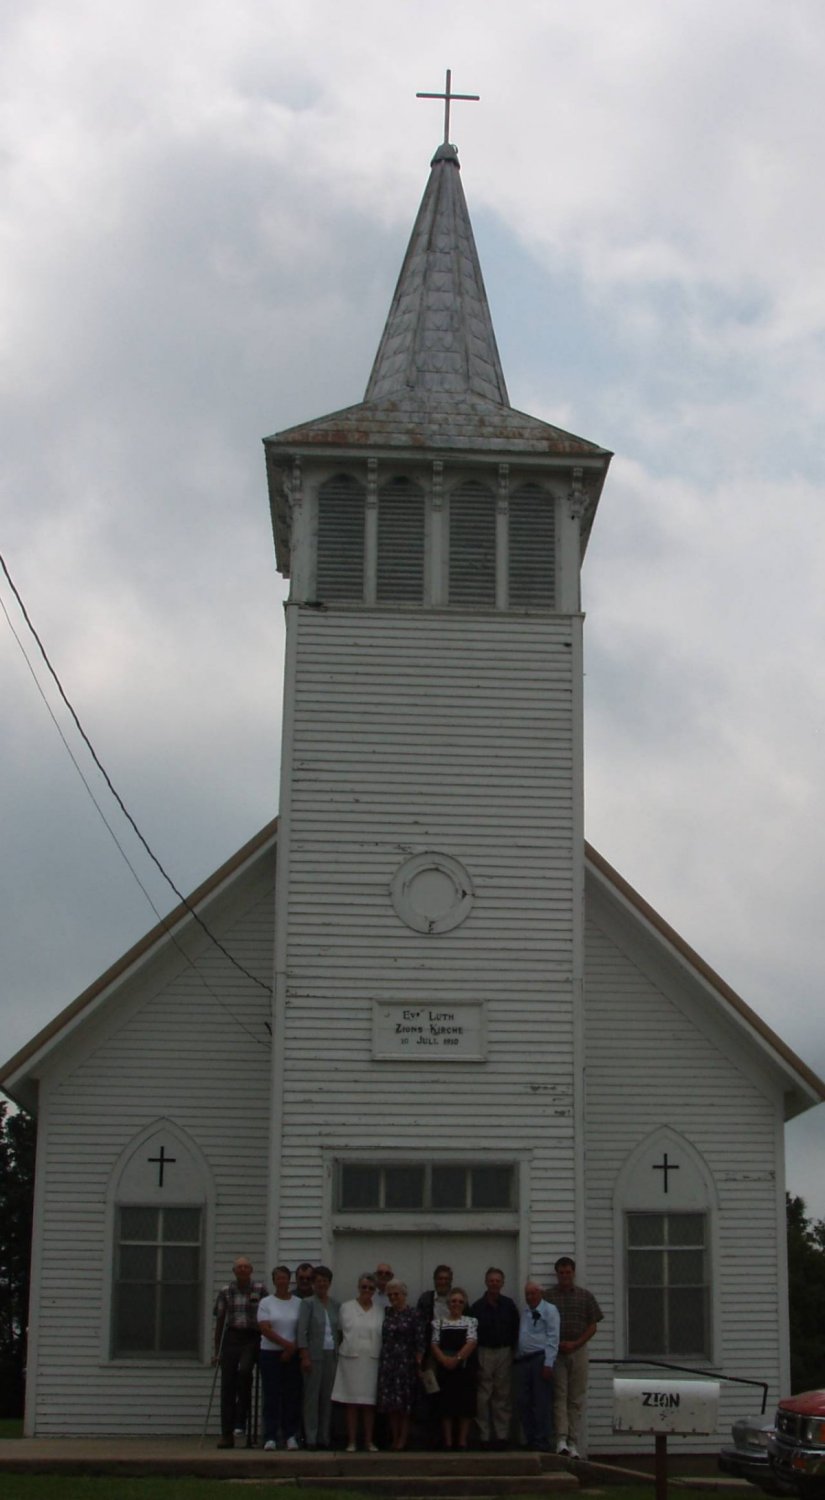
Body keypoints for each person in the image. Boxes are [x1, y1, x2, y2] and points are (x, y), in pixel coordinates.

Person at [545, 1256, 603, 1459]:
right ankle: (560, 1438)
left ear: (573, 1272)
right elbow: (541, 1324)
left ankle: (573, 1441)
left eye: (568, 1272)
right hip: (557, 1351)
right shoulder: (548, 1296)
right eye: (561, 1272)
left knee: (576, 1397)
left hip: (578, 1351)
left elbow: (593, 1325)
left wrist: (576, 1343)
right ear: (557, 1274)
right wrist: (556, 1344)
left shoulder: (585, 1296)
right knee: (559, 1395)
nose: (564, 1276)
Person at [213, 1256, 267, 1449]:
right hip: (231, 1337)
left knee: (244, 1372)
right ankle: (227, 1434)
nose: (243, 1270)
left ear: (251, 1270)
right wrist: (216, 1350)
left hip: (252, 1338)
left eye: (246, 1267)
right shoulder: (226, 1291)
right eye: (239, 1267)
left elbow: (268, 1316)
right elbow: (220, 1321)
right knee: (228, 1384)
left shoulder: (260, 1289)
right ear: (234, 1271)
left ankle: (241, 1419)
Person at [331, 1272, 383, 1451]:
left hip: (371, 1360)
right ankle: (351, 1441)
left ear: (375, 1290)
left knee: (369, 1403)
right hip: (351, 1360)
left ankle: (368, 1441)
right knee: (352, 1402)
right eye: (364, 1287)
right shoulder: (346, 1307)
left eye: (370, 1288)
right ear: (358, 1287)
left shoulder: (380, 1310)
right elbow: (338, 1332)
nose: (367, 1290)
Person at [471, 1266, 519, 1450]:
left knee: (502, 1395)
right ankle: (484, 1436)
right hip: (484, 1351)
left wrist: (513, 1351)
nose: (494, 1284)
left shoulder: (509, 1305)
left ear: (503, 1283)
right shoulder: (477, 1307)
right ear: (486, 1282)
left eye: (498, 1281)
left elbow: (516, 1329)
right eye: (491, 1280)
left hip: (504, 1352)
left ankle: (501, 1436)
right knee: (483, 1396)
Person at [257, 1264, 302, 1451]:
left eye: (284, 1277)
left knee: (291, 1395)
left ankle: (290, 1435)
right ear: (274, 1281)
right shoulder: (266, 1302)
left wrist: (292, 1349)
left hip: (293, 1354)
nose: (281, 1281)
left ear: (289, 1280)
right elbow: (265, 1329)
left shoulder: (299, 1302)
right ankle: (270, 1436)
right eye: (278, 1278)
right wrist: (286, 1345)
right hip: (270, 1353)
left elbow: (303, 1329)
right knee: (272, 1395)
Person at [376, 1279, 425, 1450]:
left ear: (404, 1294)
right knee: (391, 1405)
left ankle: (403, 1439)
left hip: (407, 1363)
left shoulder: (414, 1314)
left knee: (405, 1405)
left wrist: (419, 1364)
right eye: (390, 1295)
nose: (393, 1297)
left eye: (396, 1294)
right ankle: (394, 1437)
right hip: (389, 1363)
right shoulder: (387, 1313)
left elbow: (420, 1341)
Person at [297, 1265, 340, 1449]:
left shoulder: (335, 1305)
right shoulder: (307, 1303)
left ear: (329, 1283)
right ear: (314, 1283)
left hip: (331, 1355)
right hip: (313, 1356)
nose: (322, 1284)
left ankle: (325, 1437)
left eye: (325, 1281)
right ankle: (311, 1437)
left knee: (327, 1398)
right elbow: (301, 1332)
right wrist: (304, 1355)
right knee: (311, 1398)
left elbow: (339, 1331)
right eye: (318, 1281)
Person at [431, 1287, 478, 1450]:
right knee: (446, 1405)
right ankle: (448, 1441)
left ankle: (462, 1441)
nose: (456, 1304)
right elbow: (434, 1344)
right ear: (448, 1304)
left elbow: (471, 1342)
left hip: (464, 1369)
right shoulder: (439, 1323)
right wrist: (444, 1360)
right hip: (445, 1369)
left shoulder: (471, 1321)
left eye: (460, 1301)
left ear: (464, 1304)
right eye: (453, 1301)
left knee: (465, 1405)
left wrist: (457, 1359)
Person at [514, 1279, 559, 1452]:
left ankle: (542, 1441)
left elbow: (553, 1337)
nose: (530, 1297)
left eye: (533, 1293)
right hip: (524, 1360)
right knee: (523, 1401)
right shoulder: (525, 1311)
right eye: (527, 1294)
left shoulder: (550, 1310)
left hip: (540, 1359)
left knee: (541, 1402)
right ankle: (530, 1438)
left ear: (540, 1294)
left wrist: (549, 1363)